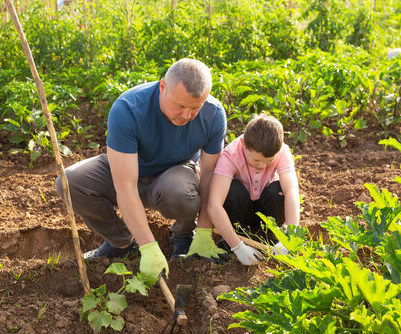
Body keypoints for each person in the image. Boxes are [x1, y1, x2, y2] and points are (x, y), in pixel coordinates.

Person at [56, 58, 228, 278]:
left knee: (180, 192)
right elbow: (125, 186)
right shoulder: (128, 108)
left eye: (195, 108)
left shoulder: (213, 114)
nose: (187, 116)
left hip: (173, 178)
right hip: (129, 172)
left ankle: (184, 236)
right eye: (180, 106)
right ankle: (121, 242)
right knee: (69, 182)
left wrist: (204, 232)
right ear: (162, 87)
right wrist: (148, 247)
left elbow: (209, 177)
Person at [186, 113, 300, 265]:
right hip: (239, 211)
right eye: (257, 160)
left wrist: (291, 236)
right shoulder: (231, 155)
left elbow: (292, 191)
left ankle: (271, 236)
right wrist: (238, 247)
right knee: (233, 192)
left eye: (269, 161)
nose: (262, 166)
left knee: (278, 192)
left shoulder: (282, 151)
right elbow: (214, 206)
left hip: (265, 210)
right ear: (243, 144)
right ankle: (232, 239)